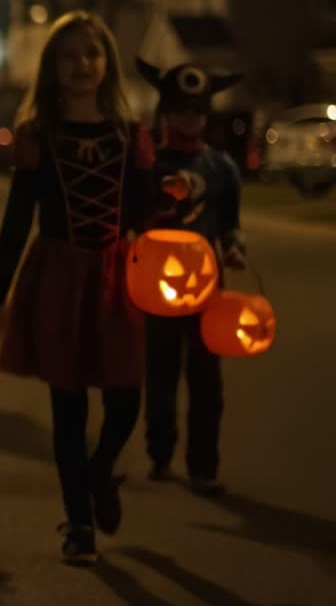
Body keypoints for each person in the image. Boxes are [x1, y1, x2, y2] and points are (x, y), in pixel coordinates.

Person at [0, 12, 155, 566]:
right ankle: (78, 521)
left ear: (108, 64)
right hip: (56, 275)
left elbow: (146, 215)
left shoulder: (129, 133)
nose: (81, 65)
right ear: (52, 66)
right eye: (69, 55)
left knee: (125, 395)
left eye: (91, 54)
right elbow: (17, 218)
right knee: (68, 402)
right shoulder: (39, 135)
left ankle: (99, 474)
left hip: (117, 273)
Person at [136, 58, 245, 497]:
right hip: (156, 287)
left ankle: (204, 462)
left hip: (206, 286)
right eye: (180, 109)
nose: (189, 118)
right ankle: (160, 450)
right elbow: (137, 215)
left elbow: (228, 223)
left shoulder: (221, 168)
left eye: (197, 110)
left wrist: (235, 247)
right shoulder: (148, 164)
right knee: (159, 371)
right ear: (165, 110)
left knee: (206, 376)